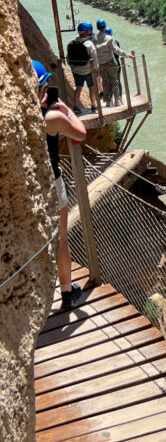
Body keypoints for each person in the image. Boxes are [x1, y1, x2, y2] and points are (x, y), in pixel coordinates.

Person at [33, 60, 87, 310]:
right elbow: (80, 133)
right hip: (52, 184)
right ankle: (66, 292)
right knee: (60, 240)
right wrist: (67, 110)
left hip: (27, 187)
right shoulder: (51, 118)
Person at [94, 18, 133, 106]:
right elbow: (117, 50)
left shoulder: (94, 39)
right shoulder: (109, 38)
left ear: (97, 27)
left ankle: (108, 101)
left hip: (101, 64)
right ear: (105, 27)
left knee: (105, 82)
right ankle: (117, 101)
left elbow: (93, 52)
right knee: (114, 81)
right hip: (110, 62)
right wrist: (128, 55)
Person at [67, 22, 99, 114]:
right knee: (91, 88)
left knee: (78, 88)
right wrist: (96, 69)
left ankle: (76, 106)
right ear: (86, 32)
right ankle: (93, 105)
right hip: (88, 70)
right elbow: (95, 58)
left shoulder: (70, 44)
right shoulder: (89, 44)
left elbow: (68, 59)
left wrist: (73, 69)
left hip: (76, 71)